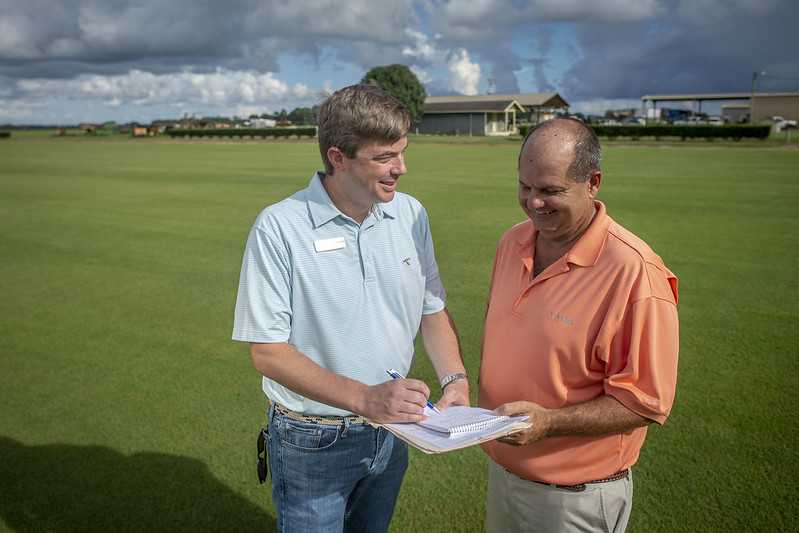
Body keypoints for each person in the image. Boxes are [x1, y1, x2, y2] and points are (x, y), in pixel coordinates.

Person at [232, 83, 470, 532]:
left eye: (402, 152)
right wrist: (365, 398)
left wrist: (455, 380)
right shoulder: (279, 227)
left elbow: (430, 308)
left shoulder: (410, 213)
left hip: (395, 429)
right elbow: (267, 352)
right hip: (313, 437)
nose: (401, 168)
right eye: (385, 157)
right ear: (338, 157)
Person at [478, 118, 679, 532]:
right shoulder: (512, 240)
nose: (534, 203)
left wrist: (550, 423)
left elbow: (646, 401)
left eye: (551, 190)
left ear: (593, 183)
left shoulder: (635, 272)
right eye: (525, 187)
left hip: (575, 500)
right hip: (503, 477)